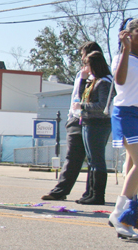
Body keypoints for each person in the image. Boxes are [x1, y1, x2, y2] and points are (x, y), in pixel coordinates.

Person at [41, 42, 105, 202]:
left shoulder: (101, 77)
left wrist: (83, 81)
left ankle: (92, 194)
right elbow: (76, 97)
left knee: (92, 158)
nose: (82, 58)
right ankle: (61, 191)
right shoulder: (81, 74)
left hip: (93, 120)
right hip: (77, 118)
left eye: (83, 55)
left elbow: (83, 98)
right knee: (73, 156)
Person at [108, 18, 138, 241]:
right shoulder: (122, 58)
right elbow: (120, 81)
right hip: (126, 113)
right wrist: (125, 49)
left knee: (134, 165)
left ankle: (125, 218)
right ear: (128, 34)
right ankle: (120, 215)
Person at [72, 51, 112, 205]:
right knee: (91, 160)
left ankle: (98, 195)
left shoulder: (103, 83)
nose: (85, 67)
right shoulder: (92, 81)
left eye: (87, 64)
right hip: (88, 121)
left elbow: (102, 105)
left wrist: (81, 106)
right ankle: (90, 193)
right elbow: (81, 95)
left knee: (97, 160)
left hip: (99, 124)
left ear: (94, 64)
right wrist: (82, 80)